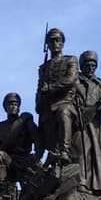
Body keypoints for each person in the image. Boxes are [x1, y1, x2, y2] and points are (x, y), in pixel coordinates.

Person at [0, 93, 43, 200]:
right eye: (10, 104)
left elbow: (38, 141)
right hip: (8, 163)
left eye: (16, 104)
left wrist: (36, 158)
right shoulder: (0, 126)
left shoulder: (26, 121)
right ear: (5, 107)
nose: (13, 106)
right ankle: (4, 199)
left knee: (29, 197)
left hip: (25, 162)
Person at [35, 28, 79, 175]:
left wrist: (51, 88)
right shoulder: (43, 67)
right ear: (47, 44)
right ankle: (51, 164)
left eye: (57, 40)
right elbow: (39, 87)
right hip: (47, 107)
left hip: (64, 103)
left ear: (62, 43)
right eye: (51, 40)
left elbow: (70, 80)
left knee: (63, 113)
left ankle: (64, 151)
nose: (55, 43)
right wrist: (38, 103)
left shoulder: (70, 60)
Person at [74, 50, 101, 200]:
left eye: (93, 65)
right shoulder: (75, 81)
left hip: (96, 127)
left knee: (94, 158)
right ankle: (80, 185)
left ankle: (96, 189)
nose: (90, 67)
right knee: (80, 154)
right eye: (87, 64)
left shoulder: (100, 84)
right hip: (79, 124)